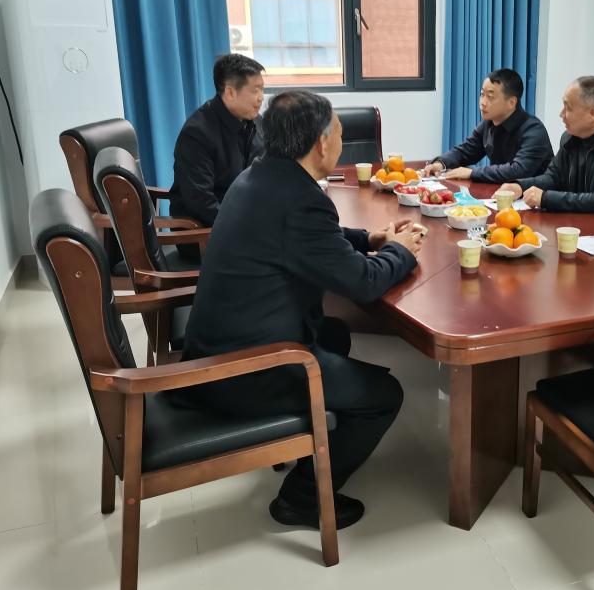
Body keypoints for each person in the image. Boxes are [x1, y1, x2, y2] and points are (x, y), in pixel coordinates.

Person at [173, 90, 424, 530]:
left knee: (335, 334)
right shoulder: (299, 199)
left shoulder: (259, 176)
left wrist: (369, 240)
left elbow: (312, 237)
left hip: (215, 345)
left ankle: (314, 437)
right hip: (244, 370)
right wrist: (401, 251)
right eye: (339, 134)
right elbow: (363, 283)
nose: (341, 143)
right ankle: (301, 499)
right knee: (384, 396)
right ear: (322, 143)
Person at [493, 76, 594, 212]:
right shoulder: (570, 137)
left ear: (592, 114)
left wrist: (546, 198)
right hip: (579, 220)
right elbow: (553, 177)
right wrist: (520, 186)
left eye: (568, 108)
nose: (561, 114)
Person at [169, 54, 266, 230]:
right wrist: (245, 226)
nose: (261, 97)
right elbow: (200, 201)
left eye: (262, 89)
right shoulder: (197, 134)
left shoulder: (257, 123)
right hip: (205, 231)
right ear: (230, 92)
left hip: (246, 220)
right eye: (255, 91)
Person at [421, 69, 553, 182]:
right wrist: (441, 163)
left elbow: (518, 170)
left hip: (534, 200)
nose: (482, 102)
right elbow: (466, 150)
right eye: (482, 94)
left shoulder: (534, 131)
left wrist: (472, 173)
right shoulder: (489, 123)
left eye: (490, 97)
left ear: (511, 102)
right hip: (501, 195)